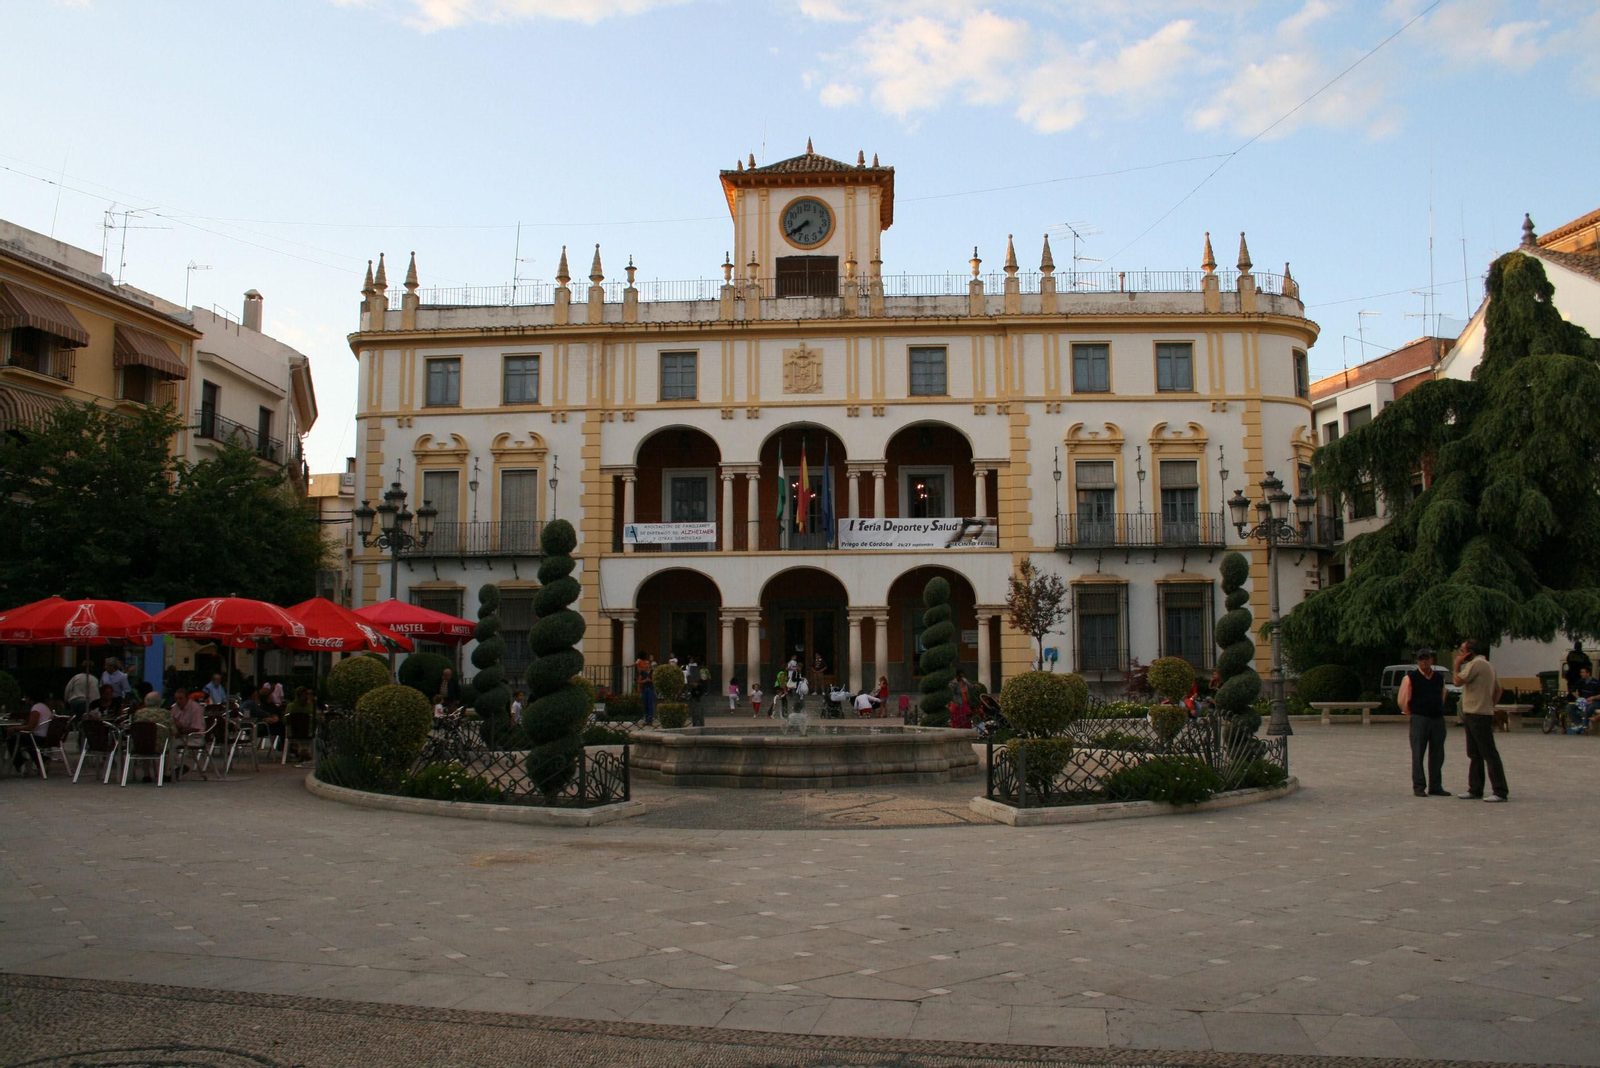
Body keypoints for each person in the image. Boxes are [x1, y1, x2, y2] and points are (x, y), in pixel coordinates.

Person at [1455, 639, 1507, 802]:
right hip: (1478, 712)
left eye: (1462, 651)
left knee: (1488, 753)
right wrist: (1490, 704)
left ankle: (1499, 790)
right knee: (1475, 753)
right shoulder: (1488, 665)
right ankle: (1475, 788)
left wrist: (1457, 665)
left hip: (1477, 714)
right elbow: (1499, 689)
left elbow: (1457, 681)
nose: (1461, 655)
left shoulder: (1476, 664)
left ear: (1470, 652)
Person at [1398, 647, 1450, 797]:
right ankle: (1419, 786)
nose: (1424, 662)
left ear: (1431, 660)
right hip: (1419, 718)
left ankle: (1436, 786)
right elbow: (1403, 699)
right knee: (1418, 753)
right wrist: (1412, 712)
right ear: (1417, 661)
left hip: (1437, 719)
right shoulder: (1411, 678)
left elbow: (1443, 695)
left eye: (1426, 659)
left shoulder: (1439, 678)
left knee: (1437, 753)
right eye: (1421, 659)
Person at [8, 692, 54, 772]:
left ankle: (21, 763)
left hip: (39, 737)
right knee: (29, 744)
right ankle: (42, 760)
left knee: (12, 740)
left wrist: (15, 728)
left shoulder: (36, 708)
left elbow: (30, 726)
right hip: (47, 736)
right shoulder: (45, 707)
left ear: (30, 698)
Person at [1565, 667, 1600, 733]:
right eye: (1581, 672)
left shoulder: (1596, 683)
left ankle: (1585, 725)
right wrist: (1578, 697)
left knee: (1588, 708)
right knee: (1570, 707)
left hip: (1595, 701)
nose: (1581, 674)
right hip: (1584, 701)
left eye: (1583, 672)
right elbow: (1572, 690)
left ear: (1588, 673)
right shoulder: (1581, 681)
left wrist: (1593, 697)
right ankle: (1578, 723)